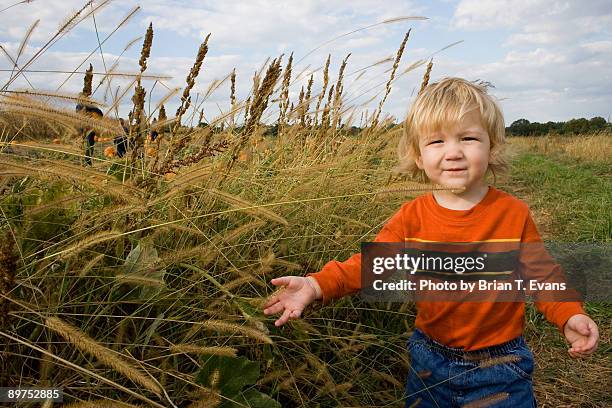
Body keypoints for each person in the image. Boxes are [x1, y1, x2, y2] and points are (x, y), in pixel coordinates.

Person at [262, 77, 599, 407]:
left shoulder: (512, 214)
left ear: (491, 147)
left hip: (501, 365)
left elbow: (543, 276)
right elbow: (369, 267)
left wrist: (569, 314)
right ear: (419, 157)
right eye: (437, 142)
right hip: (428, 361)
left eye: (468, 138)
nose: (453, 152)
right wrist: (316, 284)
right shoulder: (411, 217)